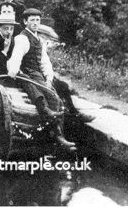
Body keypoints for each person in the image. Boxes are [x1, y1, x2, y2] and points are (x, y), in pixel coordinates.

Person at [7, 8, 77, 151]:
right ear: (25, 22)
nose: (35, 23)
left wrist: (49, 78)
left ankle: (57, 135)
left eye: (37, 20)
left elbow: (45, 62)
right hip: (26, 73)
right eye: (32, 20)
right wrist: (15, 71)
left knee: (55, 98)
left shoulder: (38, 39)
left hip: (37, 74)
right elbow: (16, 58)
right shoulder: (22, 38)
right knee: (49, 97)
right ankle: (56, 135)